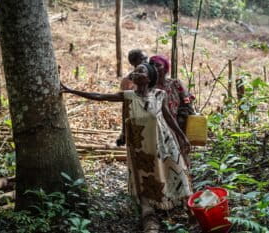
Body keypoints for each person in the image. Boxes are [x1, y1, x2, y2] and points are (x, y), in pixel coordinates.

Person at [60, 63, 192, 232]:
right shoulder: (128, 96)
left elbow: (168, 118)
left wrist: (182, 136)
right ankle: (150, 213)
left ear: (150, 78)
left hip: (165, 145)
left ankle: (190, 211)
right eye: (135, 70)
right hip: (141, 149)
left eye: (141, 70)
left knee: (176, 173)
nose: (136, 72)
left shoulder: (160, 95)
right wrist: (71, 91)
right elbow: (100, 96)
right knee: (148, 179)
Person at [149, 55, 195, 132]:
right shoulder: (148, 86)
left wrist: (182, 117)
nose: (154, 68)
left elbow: (187, 101)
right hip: (154, 127)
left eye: (158, 65)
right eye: (151, 65)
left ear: (165, 68)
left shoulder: (176, 84)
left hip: (176, 126)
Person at [116, 49, 148, 146]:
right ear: (133, 62)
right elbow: (126, 106)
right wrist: (124, 131)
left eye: (146, 58)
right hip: (136, 115)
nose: (146, 61)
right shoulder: (127, 81)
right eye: (143, 59)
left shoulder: (152, 75)